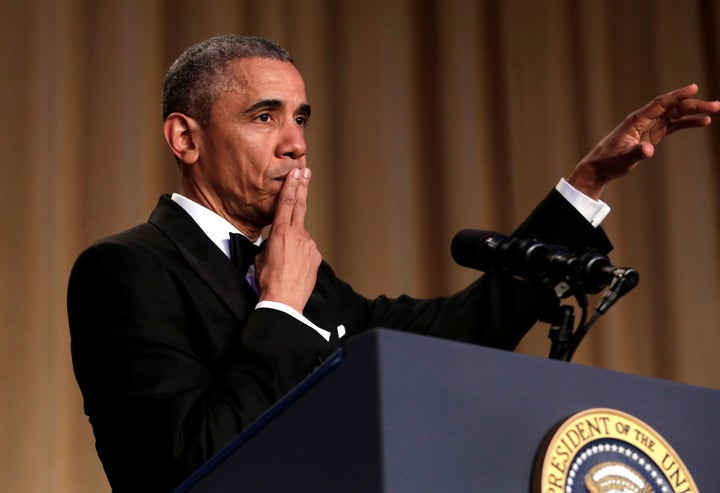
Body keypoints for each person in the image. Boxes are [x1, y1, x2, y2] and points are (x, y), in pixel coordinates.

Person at [66, 34, 720, 492]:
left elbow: (463, 330)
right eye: (264, 117)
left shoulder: (303, 277)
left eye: (301, 118)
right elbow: (184, 466)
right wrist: (278, 311)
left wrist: (586, 186)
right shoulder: (124, 270)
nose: (296, 143)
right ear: (186, 137)